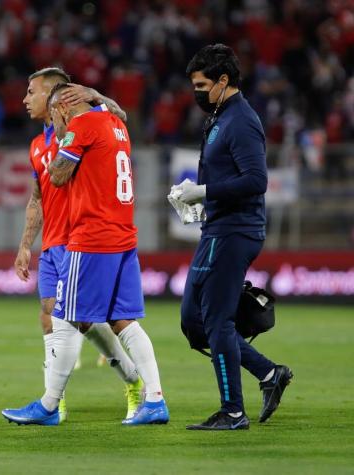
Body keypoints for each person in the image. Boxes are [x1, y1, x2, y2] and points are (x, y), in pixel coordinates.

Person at [3, 83, 169, 426]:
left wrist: (65, 136)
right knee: (123, 321)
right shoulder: (116, 125)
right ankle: (154, 400)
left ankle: (49, 406)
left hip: (91, 237)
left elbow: (59, 176)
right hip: (123, 236)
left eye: (54, 115)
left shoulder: (80, 127)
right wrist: (99, 98)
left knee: (62, 319)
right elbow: (116, 113)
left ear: (62, 109)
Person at [176, 44, 293, 430]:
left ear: (223, 81)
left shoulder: (241, 120)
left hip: (236, 231)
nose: (195, 91)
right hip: (219, 228)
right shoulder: (220, 116)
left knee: (216, 321)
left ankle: (233, 411)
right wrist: (198, 197)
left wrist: (205, 192)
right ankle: (269, 373)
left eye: (200, 84)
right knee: (194, 321)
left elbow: (256, 180)